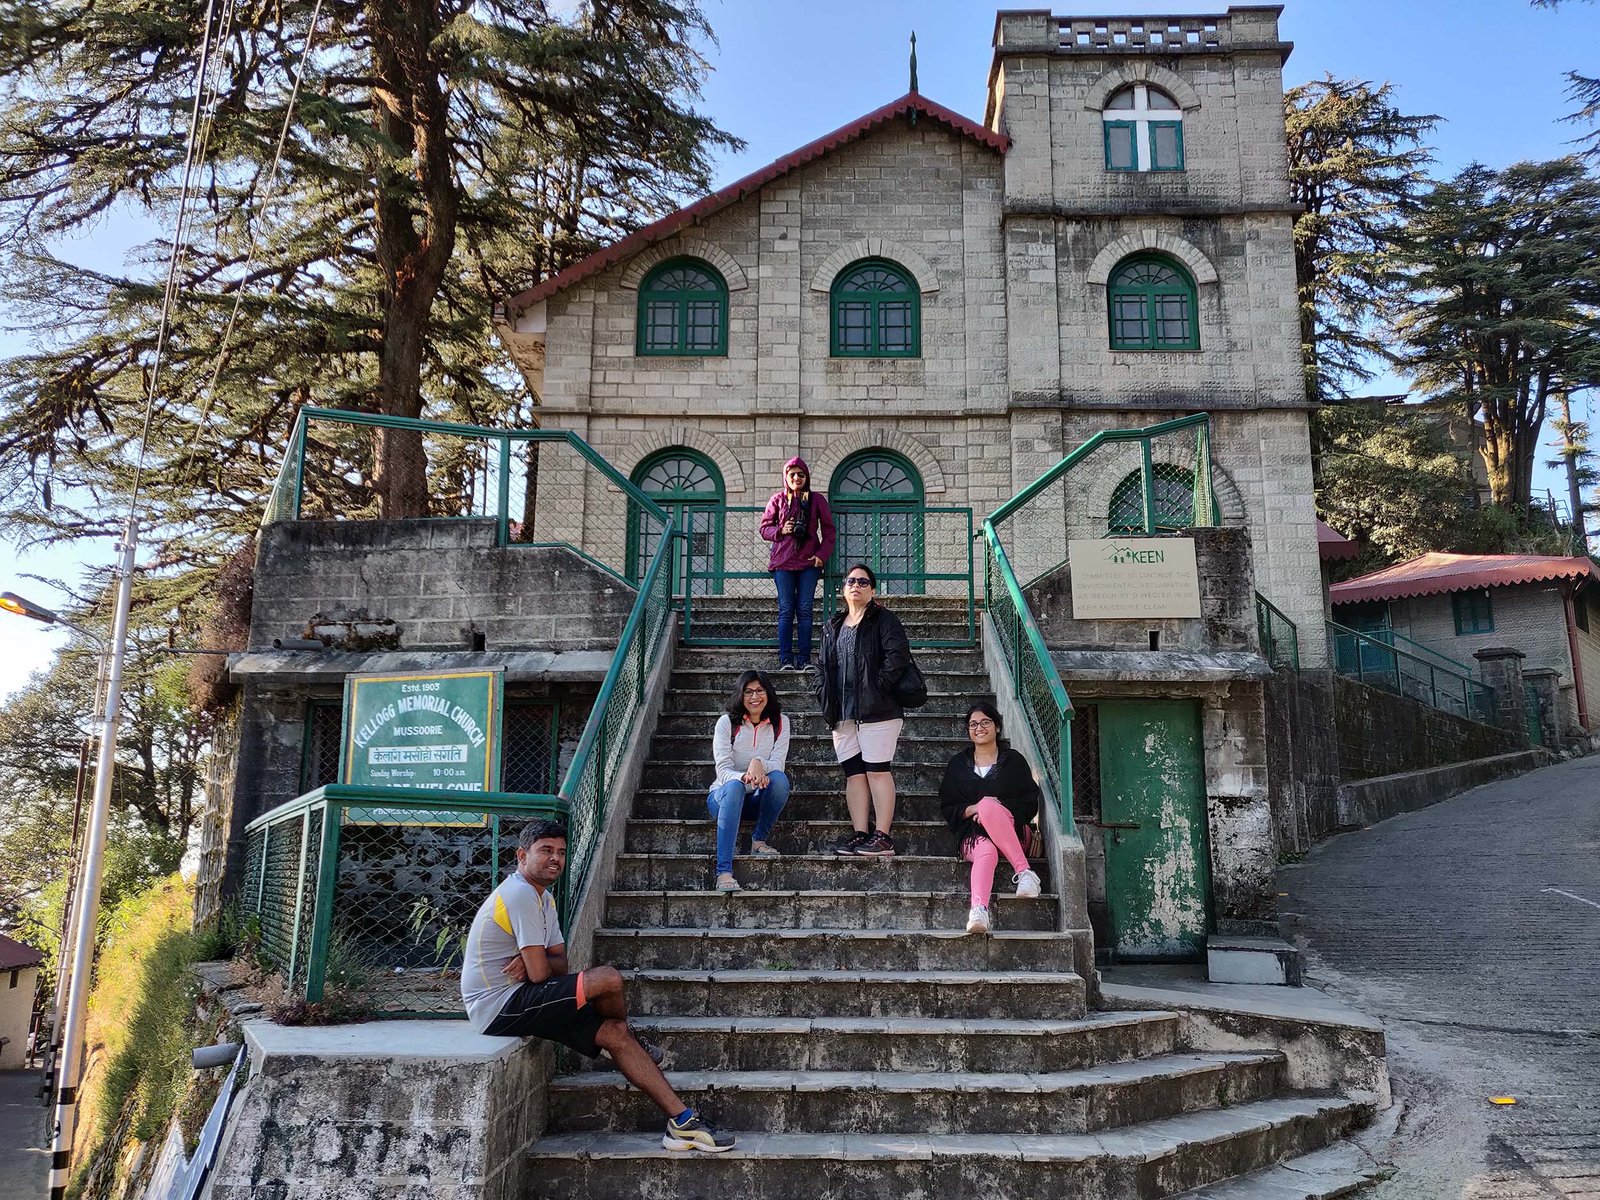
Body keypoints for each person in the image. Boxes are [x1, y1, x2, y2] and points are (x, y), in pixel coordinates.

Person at [461, 819, 735, 1153]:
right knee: (607, 978)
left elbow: (559, 963)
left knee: (614, 1034)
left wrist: (536, 959)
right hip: (497, 1006)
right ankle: (634, 1038)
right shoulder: (519, 893)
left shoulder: (543, 899)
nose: (555, 859)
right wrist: (538, 961)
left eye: (561, 852)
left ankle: (683, 1122)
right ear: (522, 855)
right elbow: (539, 974)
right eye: (545, 850)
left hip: (522, 998)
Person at [815, 562, 910, 857]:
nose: (855, 585)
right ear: (843, 588)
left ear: (872, 590)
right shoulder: (832, 626)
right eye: (851, 581)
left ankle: (883, 837)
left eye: (863, 582)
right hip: (842, 712)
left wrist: (878, 687)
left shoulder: (884, 620)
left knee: (877, 771)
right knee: (854, 773)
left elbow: (898, 656)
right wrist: (823, 695)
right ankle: (860, 833)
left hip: (878, 710)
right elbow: (821, 666)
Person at [938, 700, 1043, 935]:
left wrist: (992, 811)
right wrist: (975, 809)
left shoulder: (1013, 761)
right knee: (986, 849)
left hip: (1012, 832)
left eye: (985, 722)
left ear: (997, 727)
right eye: (973, 724)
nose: (979, 728)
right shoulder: (957, 765)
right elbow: (948, 806)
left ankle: (1024, 872)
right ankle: (978, 911)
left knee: (988, 806)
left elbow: (1028, 802)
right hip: (972, 836)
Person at [707, 670, 792, 892]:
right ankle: (723, 873)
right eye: (748, 692)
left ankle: (759, 841)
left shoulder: (780, 723)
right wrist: (745, 776)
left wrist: (758, 762)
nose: (755, 697)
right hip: (723, 800)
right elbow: (723, 770)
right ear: (741, 695)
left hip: (756, 799)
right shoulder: (726, 723)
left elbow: (778, 764)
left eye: (760, 691)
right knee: (734, 786)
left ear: (768, 693)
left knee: (780, 780)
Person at [759, 456, 836, 670]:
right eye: (792, 474)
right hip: (782, 563)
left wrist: (821, 555)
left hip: (809, 563)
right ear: (786, 477)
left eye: (800, 474)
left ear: (806, 477)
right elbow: (764, 528)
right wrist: (780, 530)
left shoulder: (817, 500)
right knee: (785, 609)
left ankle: (804, 659)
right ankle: (785, 659)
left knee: (804, 609)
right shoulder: (777, 499)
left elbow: (829, 531)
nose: (796, 478)